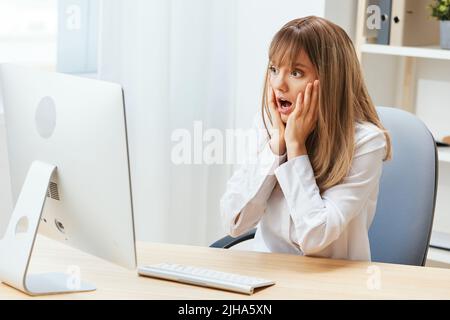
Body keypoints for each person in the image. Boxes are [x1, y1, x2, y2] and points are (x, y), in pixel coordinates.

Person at [220, 16, 392, 261]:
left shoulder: (366, 143)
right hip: (268, 277)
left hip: (329, 284)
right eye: (273, 69)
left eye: (296, 72)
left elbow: (314, 237)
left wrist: (295, 147)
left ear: (330, 79)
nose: (279, 84)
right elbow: (234, 221)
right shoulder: (268, 126)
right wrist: (277, 145)